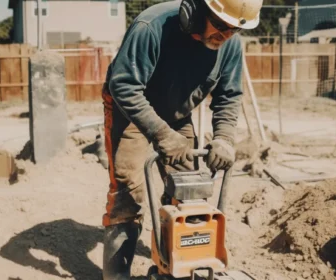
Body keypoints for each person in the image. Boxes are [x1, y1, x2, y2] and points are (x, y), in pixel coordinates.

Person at [100, 0, 263, 278]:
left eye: (234, 30)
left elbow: (229, 96)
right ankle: (116, 275)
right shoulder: (151, 28)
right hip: (130, 112)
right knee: (129, 192)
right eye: (222, 26)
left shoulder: (230, 45)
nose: (225, 36)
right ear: (198, 12)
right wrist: (161, 134)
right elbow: (124, 85)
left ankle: (172, 265)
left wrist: (223, 138)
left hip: (177, 113)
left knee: (189, 190)